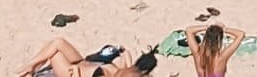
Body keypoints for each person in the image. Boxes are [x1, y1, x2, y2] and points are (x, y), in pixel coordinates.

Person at [15, 37, 157, 76]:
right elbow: (127, 57)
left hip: (70, 72)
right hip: (81, 62)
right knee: (58, 42)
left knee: (55, 52)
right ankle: (31, 66)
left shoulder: (125, 70)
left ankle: (30, 69)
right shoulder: (123, 68)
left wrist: (75, 73)